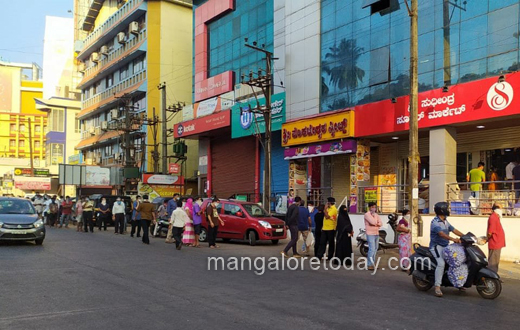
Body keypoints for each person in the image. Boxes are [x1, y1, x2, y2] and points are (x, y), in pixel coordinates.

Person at [429, 202, 464, 297]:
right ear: (442, 210)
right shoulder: (435, 222)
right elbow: (441, 234)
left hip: (445, 246)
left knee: (456, 261)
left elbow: (454, 230)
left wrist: (465, 236)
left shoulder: (445, 221)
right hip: (436, 246)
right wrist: (453, 239)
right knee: (441, 264)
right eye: (447, 209)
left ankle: (457, 283)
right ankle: (437, 287)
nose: (449, 210)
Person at [485, 204, 506, 273]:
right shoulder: (493, 217)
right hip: (495, 242)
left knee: (495, 261)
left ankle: (494, 277)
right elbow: (490, 232)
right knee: (492, 262)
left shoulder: (496, 217)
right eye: (500, 208)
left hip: (497, 242)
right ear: (497, 209)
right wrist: (486, 239)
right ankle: (491, 278)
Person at [364, 202, 382, 270]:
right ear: (370, 207)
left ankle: (373, 263)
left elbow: (380, 223)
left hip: (376, 233)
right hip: (370, 233)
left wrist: (376, 224)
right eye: (373, 207)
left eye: (375, 207)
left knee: (375, 249)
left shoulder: (376, 215)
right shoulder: (367, 214)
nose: (374, 208)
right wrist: (376, 223)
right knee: (371, 249)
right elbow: (372, 222)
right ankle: (369, 264)